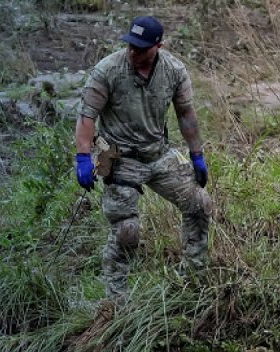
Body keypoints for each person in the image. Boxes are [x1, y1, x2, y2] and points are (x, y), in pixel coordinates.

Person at [75, 15, 214, 300]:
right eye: (130, 46)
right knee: (127, 230)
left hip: (157, 153)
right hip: (118, 157)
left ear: (158, 46)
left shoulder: (174, 70)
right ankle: (116, 300)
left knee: (200, 204)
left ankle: (195, 279)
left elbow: (186, 114)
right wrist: (83, 157)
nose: (133, 52)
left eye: (141, 48)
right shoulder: (108, 70)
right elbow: (87, 116)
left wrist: (196, 154)